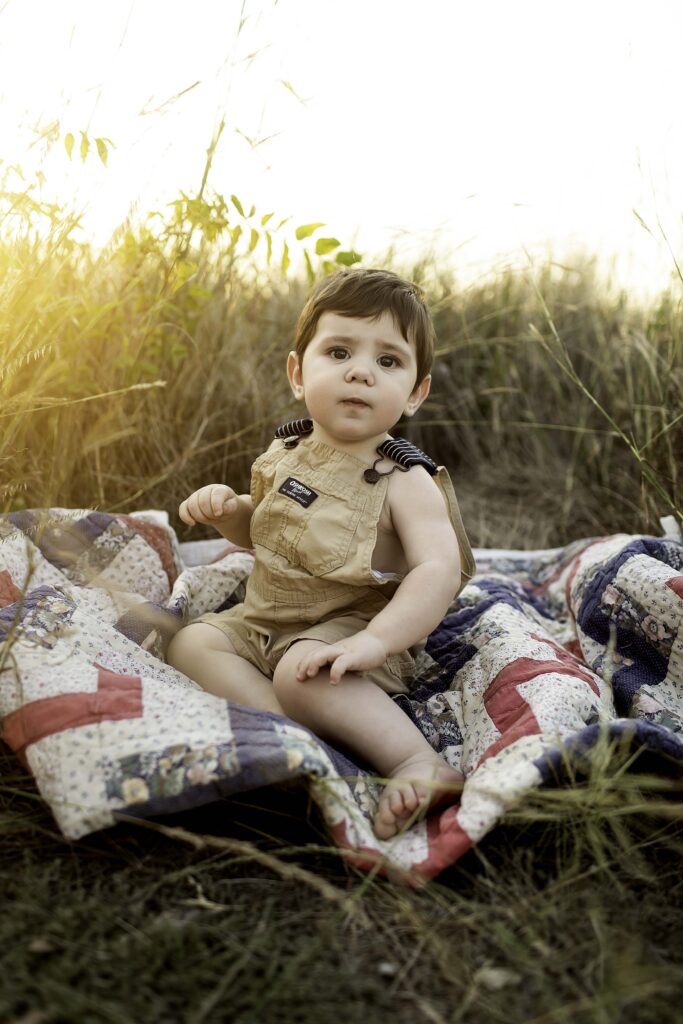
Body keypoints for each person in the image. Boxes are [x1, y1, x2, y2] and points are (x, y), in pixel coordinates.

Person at [167, 268, 475, 839]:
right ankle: (293, 733)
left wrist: (375, 641)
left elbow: (440, 569)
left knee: (301, 673)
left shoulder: (406, 479)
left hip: (349, 626)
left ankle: (416, 761)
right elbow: (262, 529)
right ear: (297, 373)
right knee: (193, 640)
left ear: (414, 392)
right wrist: (227, 510)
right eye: (339, 351)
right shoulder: (288, 448)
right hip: (264, 617)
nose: (360, 370)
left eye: (388, 361)